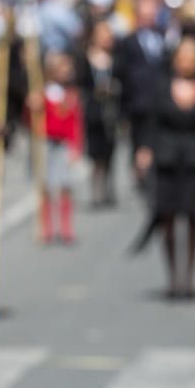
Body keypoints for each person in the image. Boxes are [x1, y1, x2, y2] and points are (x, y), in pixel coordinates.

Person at [135, 37, 195, 298]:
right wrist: (144, 149)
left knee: (191, 216)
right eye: (183, 56)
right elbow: (150, 120)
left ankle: (189, 276)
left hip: (193, 160)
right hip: (166, 157)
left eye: (192, 57)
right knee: (167, 217)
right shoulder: (162, 86)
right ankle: (173, 277)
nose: (187, 62)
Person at [119, 0, 166, 190]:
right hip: (137, 101)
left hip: (159, 100)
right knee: (138, 140)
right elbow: (122, 72)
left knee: (157, 139)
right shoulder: (128, 41)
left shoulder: (163, 38)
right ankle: (140, 175)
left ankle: (155, 173)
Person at [39, 51, 83, 245]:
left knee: (65, 184)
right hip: (46, 141)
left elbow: (75, 121)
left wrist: (76, 146)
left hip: (64, 142)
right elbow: (31, 120)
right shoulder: (43, 93)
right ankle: (47, 226)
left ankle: (66, 226)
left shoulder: (71, 94)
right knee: (46, 185)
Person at [79, 20, 122, 207]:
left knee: (110, 151)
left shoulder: (116, 59)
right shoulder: (85, 59)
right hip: (93, 112)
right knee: (95, 154)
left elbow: (124, 81)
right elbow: (80, 85)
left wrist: (114, 88)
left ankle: (109, 187)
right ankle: (96, 189)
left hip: (111, 112)